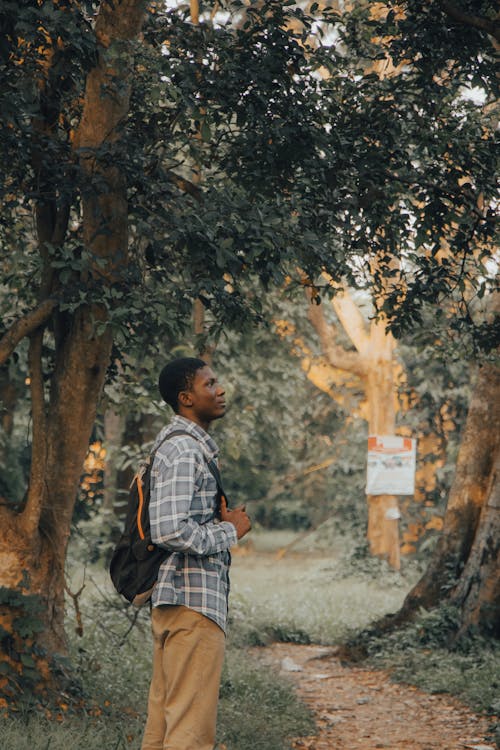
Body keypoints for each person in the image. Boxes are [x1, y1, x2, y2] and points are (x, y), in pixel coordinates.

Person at [141, 356, 251, 750]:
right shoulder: (186, 450)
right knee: (189, 734)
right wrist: (230, 530)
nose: (219, 390)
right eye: (210, 384)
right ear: (186, 398)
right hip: (193, 606)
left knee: (163, 727)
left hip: (173, 599)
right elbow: (169, 528)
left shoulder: (177, 446)